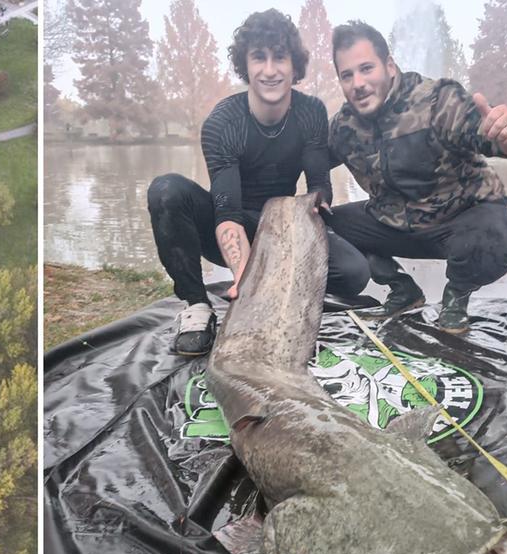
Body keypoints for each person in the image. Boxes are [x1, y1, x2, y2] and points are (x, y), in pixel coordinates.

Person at [147, 10, 369, 356]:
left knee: (355, 273)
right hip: (228, 225)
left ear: (294, 66)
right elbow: (227, 212)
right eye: (259, 58)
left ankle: (283, 295)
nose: (269, 70)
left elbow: (318, 184)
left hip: (283, 227)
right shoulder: (222, 122)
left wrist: (317, 207)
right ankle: (197, 307)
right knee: (166, 190)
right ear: (245, 65)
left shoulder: (311, 112)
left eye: (280, 58)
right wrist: (243, 281)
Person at [325, 21, 507, 334]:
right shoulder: (343, 127)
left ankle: (455, 298)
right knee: (323, 223)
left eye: (366, 68)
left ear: (390, 66)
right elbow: (309, 160)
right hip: (394, 223)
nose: (358, 83)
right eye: (347, 75)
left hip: (457, 221)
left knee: (494, 236)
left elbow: (498, 137)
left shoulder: (437, 101)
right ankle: (402, 290)